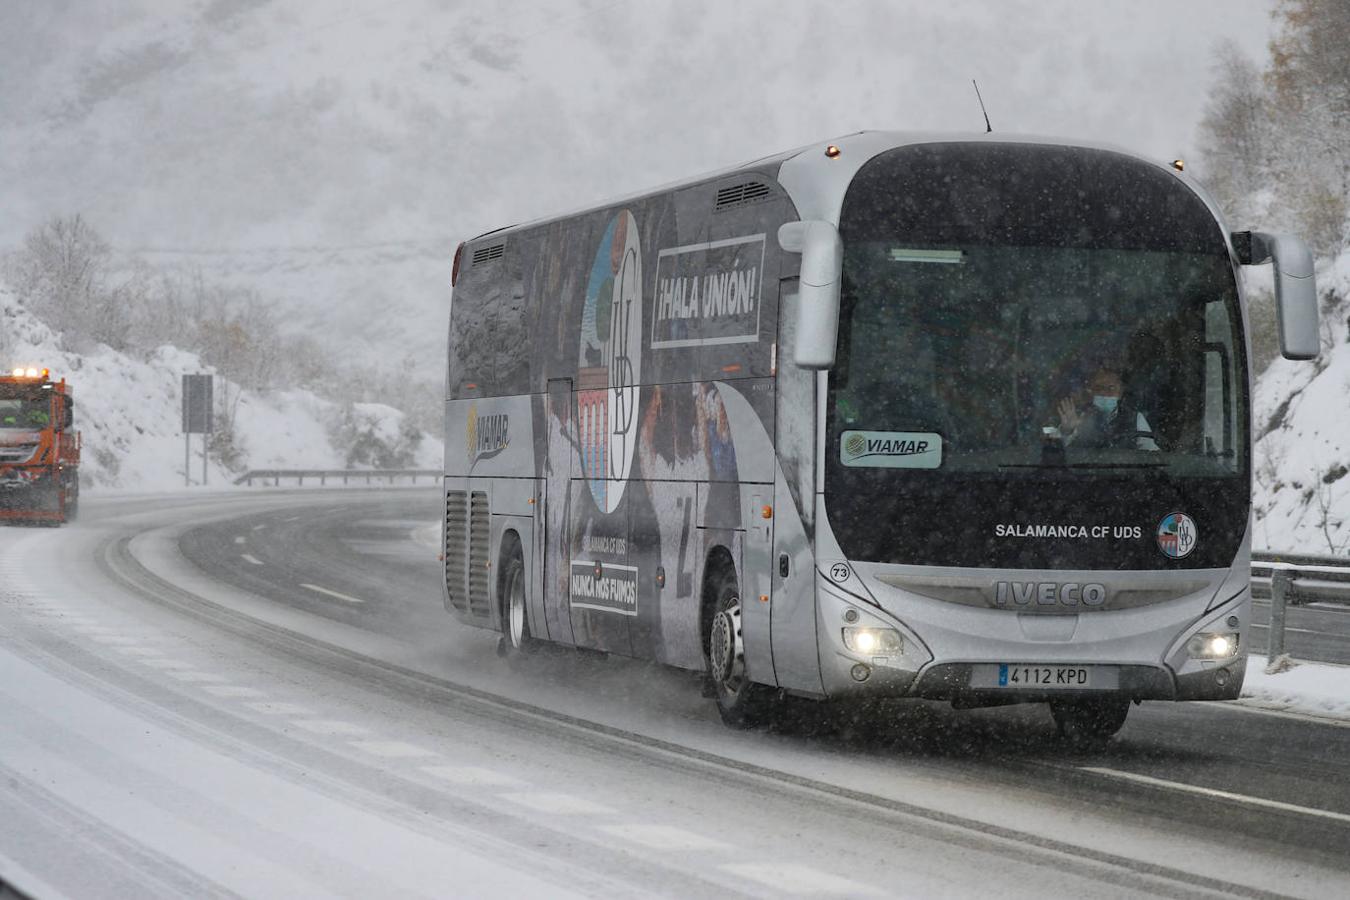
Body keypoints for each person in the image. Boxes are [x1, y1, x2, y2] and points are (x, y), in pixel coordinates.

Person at [1057, 365, 1159, 451]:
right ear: (1090, 392)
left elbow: (1151, 455)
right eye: (1099, 388)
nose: (1105, 393)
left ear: (1120, 392)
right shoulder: (1075, 416)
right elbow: (1057, 453)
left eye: (1111, 388)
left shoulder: (1135, 418)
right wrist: (1067, 431)